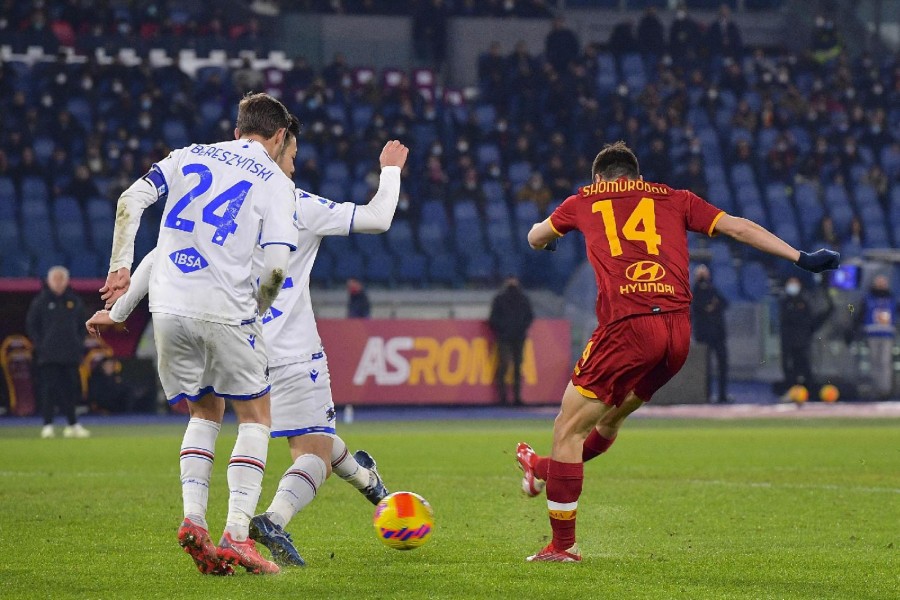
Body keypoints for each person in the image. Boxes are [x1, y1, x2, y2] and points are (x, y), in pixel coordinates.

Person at [88, 117, 407, 567]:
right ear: (279, 145)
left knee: (209, 415)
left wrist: (118, 311)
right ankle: (262, 522)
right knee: (310, 443)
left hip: (210, 325)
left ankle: (365, 481)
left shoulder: (217, 186)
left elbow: (159, 253)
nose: (293, 166)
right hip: (281, 345)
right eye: (293, 156)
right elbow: (378, 218)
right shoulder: (293, 201)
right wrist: (390, 170)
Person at [517, 141, 840, 562]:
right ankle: (542, 469)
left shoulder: (583, 199)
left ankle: (562, 547)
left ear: (600, 179)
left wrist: (551, 240)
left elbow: (533, 236)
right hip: (677, 335)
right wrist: (801, 257)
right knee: (609, 420)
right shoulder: (674, 197)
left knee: (568, 428)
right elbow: (739, 227)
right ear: (637, 176)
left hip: (628, 327)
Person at [98, 92, 298, 576]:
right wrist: (258, 310)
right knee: (256, 415)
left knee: (204, 408)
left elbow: (130, 201)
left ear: (236, 130)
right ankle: (236, 534)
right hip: (226, 309)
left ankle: (193, 521)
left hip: (167, 308)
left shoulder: (188, 155)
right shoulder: (274, 180)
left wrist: (120, 272)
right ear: (277, 138)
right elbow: (275, 268)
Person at [25, 266, 90, 439]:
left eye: (61, 279)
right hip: (48, 356)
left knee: (71, 391)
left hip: (70, 355)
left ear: (67, 281)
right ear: (49, 281)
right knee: (48, 391)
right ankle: (47, 425)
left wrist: (77, 343)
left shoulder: (74, 301)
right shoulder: (41, 301)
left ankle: (72, 424)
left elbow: (83, 325)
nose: (58, 282)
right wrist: (41, 345)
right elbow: (32, 325)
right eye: (55, 279)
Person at [779, 276, 834, 395]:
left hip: (803, 341)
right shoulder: (784, 301)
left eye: (795, 283)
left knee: (806, 369)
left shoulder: (805, 301)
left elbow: (811, 321)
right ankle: (791, 391)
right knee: (790, 369)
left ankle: (809, 393)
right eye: (790, 283)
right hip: (789, 342)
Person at [488, 276, 534, 406]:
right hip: (515, 337)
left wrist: (503, 329)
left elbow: (493, 319)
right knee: (512, 367)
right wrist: (520, 329)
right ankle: (513, 398)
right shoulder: (522, 299)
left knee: (507, 367)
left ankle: (506, 398)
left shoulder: (501, 299)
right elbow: (529, 317)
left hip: (507, 337)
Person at [691, 265, 730, 403]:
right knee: (704, 368)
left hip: (718, 334)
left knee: (723, 365)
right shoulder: (694, 292)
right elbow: (697, 307)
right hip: (703, 335)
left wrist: (712, 306)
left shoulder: (713, 289)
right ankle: (705, 395)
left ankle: (722, 395)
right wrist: (711, 306)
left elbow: (725, 303)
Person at [856, 275, 897, 398]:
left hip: (887, 335)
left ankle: (885, 390)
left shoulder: (891, 298)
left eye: (883, 282)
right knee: (874, 363)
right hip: (872, 335)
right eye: (879, 282)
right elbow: (860, 314)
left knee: (885, 363)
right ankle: (875, 389)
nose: (881, 285)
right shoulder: (868, 298)